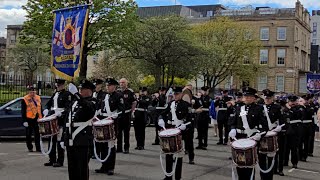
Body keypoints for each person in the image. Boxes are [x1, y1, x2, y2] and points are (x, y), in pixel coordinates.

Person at [229, 87, 268, 180]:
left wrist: (259, 135)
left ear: (254, 98)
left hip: (251, 138)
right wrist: (232, 129)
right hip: (239, 138)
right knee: (239, 163)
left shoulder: (259, 108)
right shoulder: (238, 107)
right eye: (245, 96)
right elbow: (232, 121)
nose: (247, 98)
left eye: (249, 97)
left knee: (249, 164)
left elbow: (265, 126)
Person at [63, 80, 96, 180]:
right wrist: (64, 138)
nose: (80, 90)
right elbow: (67, 120)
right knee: (72, 168)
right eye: (79, 88)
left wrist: (76, 94)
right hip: (71, 139)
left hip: (82, 139)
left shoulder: (92, 101)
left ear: (89, 91)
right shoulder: (74, 102)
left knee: (82, 168)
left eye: (82, 89)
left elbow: (87, 107)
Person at [158, 87, 192, 180]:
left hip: (180, 132)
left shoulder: (186, 105)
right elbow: (163, 113)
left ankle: (178, 177)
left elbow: (191, 120)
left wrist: (185, 125)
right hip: (170, 130)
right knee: (168, 154)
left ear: (181, 94)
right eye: (174, 94)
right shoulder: (170, 104)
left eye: (177, 94)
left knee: (178, 157)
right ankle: (168, 176)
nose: (175, 96)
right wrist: (160, 119)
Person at [95, 78, 125, 175]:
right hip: (103, 122)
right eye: (107, 85)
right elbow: (99, 107)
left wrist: (117, 115)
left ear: (114, 86)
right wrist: (98, 112)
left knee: (110, 146)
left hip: (112, 123)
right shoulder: (104, 96)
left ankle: (111, 167)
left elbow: (122, 110)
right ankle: (104, 166)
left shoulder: (118, 96)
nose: (107, 87)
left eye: (109, 85)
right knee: (102, 145)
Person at [43, 79, 72, 167]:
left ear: (63, 85)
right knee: (51, 140)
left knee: (59, 141)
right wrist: (46, 109)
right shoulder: (55, 94)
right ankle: (51, 159)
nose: (58, 87)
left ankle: (60, 161)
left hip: (60, 120)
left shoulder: (67, 94)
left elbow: (68, 108)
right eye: (57, 85)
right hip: (52, 119)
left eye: (60, 85)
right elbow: (49, 104)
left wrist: (61, 113)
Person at [259, 89, 283, 179]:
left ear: (272, 98)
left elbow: (282, 120)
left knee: (272, 157)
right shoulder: (260, 107)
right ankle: (263, 177)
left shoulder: (277, 107)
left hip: (273, 134)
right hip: (262, 135)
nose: (267, 100)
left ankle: (270, 177)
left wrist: (279, 128)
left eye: (269, 98)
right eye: (266, 98)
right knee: (261, 156)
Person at [283, 95, 303, 169]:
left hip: (295, 131)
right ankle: (285, 161)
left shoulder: (299, 108)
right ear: (288, 101)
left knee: (294, 148)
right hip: (286, 130)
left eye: (294, 101)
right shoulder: (284, 108)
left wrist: (290, 109)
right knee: (285, 148)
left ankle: (294, 162)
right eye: (291, 101)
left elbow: (298, 115)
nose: (292, 103)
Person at [117, 78, 136, 153]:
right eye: (120, 82)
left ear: (126, 83)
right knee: (118, 132)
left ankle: (126, 148)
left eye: (123, 82)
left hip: (127, 114)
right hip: (119, 114)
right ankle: (119, 148)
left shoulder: (130, 92)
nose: (121, 84)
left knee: (126, 132)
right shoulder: (117, 92)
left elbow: (134, 102)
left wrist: (132, 111)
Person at [21, 85, 42, 152]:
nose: (32, 93)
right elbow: (23, 110)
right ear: (28, 91)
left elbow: (40, 108)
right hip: (29, 119)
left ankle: (38, 148)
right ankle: (30, 147)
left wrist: (42, 116)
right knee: (28, 135)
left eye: (33, 91)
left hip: (37, 119)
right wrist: (24, 120)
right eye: (31, 91)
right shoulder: (25, 99)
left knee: (37, 135)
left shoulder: (38, 97)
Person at [299, 95, 313, 162]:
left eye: (307, 100)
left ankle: (304, 156)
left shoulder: (310, 108)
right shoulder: (300, 107)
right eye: (305, 100)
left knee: (306, 142)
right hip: (301, 126)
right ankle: (300, 155)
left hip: (308, 126)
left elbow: (309, 114)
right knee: (299, 142)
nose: (306, 101)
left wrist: (304, 107)